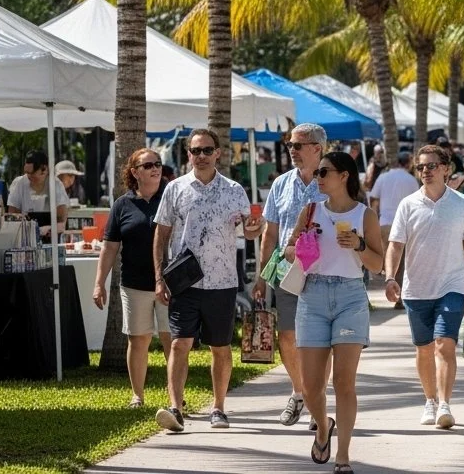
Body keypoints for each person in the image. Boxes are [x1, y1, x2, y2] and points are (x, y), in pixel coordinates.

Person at [152, 130, 261, 433]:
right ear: (188, 154)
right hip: (184, 281)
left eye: (206, 150)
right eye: (195, 150)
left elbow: (249, 232)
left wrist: (255, 228)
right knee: (179, 344)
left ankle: (219, 408)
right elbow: (160, 235)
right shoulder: (174, 189)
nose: (201, 155)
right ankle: (176, 407)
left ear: (218, 154)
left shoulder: (234, 190)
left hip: (223, 281)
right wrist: (159, 278)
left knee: (220, 347)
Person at [285, 151, 385, 469]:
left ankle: (343, 456)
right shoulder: (311, 210)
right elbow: (288, 251)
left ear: (344, 176)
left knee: (344, 381)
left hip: (350, 297)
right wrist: (302, 245)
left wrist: (358, 245)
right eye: (317, 173)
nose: (318, 178)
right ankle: (324, 428)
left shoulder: (364, 215)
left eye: (324, 172)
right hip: (312, 294)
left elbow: (378, 264)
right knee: (312, 386)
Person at [384, 145, 464, 430]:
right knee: (424, 348)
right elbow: (396, 245)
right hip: (416, 289)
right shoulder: (408, 204)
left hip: (451, 286)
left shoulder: (462, 203)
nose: (425, 171)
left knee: (445, 344)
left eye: (430, 166)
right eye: (420, 167)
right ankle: (429, 400)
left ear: (445, 168)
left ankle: (444, 404)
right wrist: (391, 276)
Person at [254, 123, 326, 428]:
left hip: (324, 270)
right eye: (290, 146)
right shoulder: (281, 184)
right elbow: (269, 232)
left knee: (320, 341)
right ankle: (299, 393)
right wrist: (260, 276)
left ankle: (316, 400)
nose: (292, 151)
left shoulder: (334, 180)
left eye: (298, 145)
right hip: (286, 270)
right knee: (287, 335)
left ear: (318, 148)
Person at [93, 147, 172, 408]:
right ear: (135, 172)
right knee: (138, 339)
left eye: (158, 164)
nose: (155, 169)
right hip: (134, 284)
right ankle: (137, 395)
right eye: (148, 165)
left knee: (171, 339)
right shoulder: (122, 205)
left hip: (170, 283)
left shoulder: (170, 198)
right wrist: (99, 283)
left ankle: (175, 395)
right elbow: (110, 247)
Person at [369, 149, 419, 306]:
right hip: (404, 225)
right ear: (408, 163)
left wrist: (374, 219)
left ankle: (392, 289)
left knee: (388, 262)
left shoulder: (383, 177)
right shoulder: (411, 180)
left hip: (384, 223)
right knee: (402, 262)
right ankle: (400, 296)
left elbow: (374, 199)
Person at [7, 151, 69, 239]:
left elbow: (62, 224)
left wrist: (44, 230)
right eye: (26, 173)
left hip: (51, 239)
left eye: (32, 173)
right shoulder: (19, 183)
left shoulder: (56, 185)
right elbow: (11, 218)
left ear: (44, 170)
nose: (28, 176)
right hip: (25, 238)